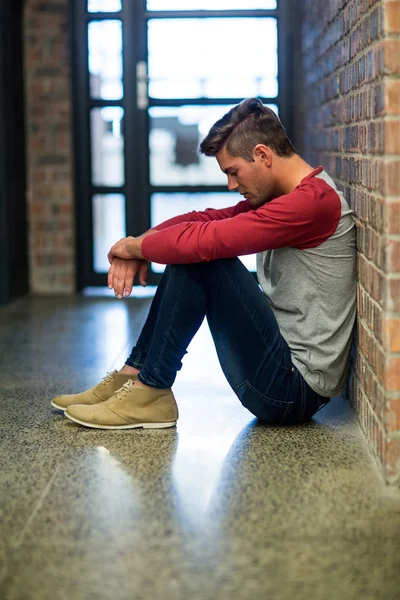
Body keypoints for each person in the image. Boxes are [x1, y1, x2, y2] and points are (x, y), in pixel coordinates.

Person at [51, 98, 356, 430]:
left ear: (263, 155)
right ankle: (135, 375)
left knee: (203, 258)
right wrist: (136, 246)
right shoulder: (283, 198)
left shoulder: (313, 204)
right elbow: (203, 219)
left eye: (233, 172)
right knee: (195, 246)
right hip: (279, 371)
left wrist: (135, 247)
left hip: (292, 389)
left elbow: (208, 240)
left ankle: (150, 390)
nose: (231, 185)